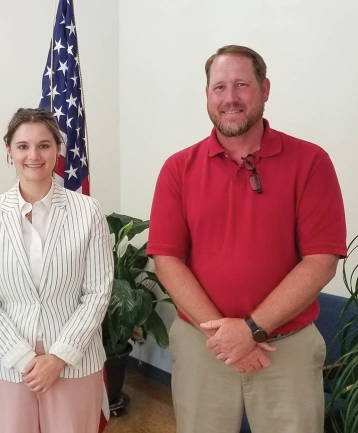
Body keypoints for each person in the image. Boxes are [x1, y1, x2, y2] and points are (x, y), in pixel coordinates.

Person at [148, 45, 347, 433]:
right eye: (219, 87)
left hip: (284, 348)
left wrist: (251, 329)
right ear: (207, 95)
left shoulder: (310, 162)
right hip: (202, 347)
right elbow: (167, 259)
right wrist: (226, 337)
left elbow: (321, 259)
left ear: (265, 89)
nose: (230, 98)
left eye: (242, 84)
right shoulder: (178, 169)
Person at [0, 108, 113, 433]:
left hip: (75, 362)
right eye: (23, 146)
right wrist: (23, 358)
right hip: (6, 363)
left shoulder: (88, 212)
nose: (33, 155)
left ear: (58, 149)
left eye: (44, 145)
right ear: (9, 150)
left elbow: (98, 294)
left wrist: (59, 357)